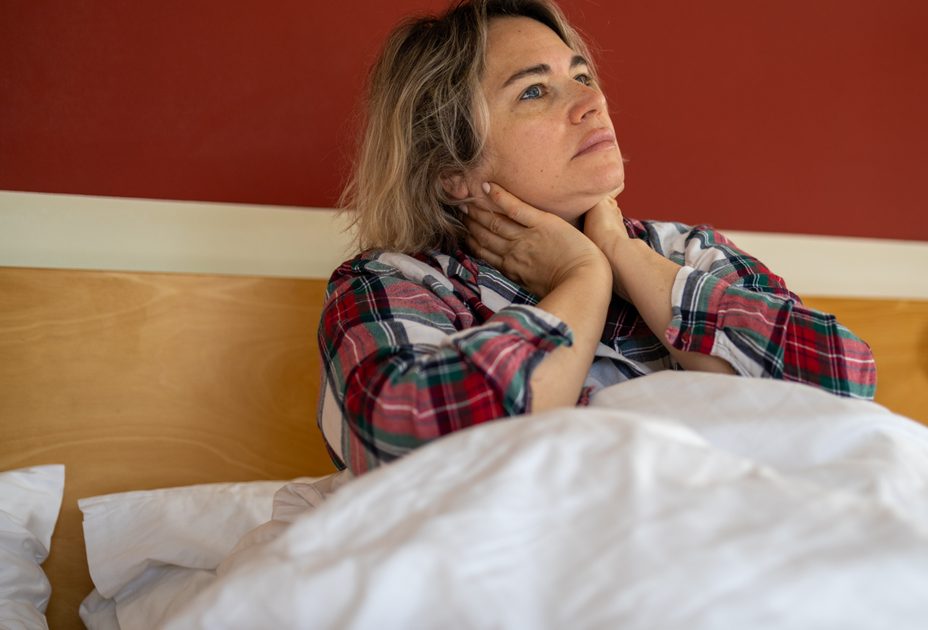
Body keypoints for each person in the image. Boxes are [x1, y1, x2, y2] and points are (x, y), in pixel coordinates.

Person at [317, 0, 876, 474]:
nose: (593, 103)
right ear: (452, 172)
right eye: (534, 91)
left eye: (582, 77)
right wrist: (581, 280)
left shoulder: (685, 253)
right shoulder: (397, 283)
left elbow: (843, 387)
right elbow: (407, 449)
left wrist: (622, 255)